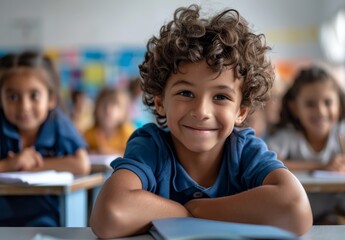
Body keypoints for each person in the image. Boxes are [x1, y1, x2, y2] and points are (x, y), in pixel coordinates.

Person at [90, 4, 312, 238]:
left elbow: (296, 210)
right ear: (159, 102)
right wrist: (184, 212)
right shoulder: (151, 147)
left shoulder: (244, 150)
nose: (201, 111)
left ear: (242, 111)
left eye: (221, 96)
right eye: (186, 93)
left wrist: (197, 209)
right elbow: (109, 214)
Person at [267, 66, 345, 224]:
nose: (321, 111)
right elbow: (268, 165)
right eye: (310, 104)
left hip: (344, 216)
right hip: (300, 217)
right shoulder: (288, 136)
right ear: (294, 108)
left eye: (328, 102)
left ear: (339, 104)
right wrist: (322, 166)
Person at [0, 51, 90, 226]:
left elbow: (81, 165)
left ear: (51, 99)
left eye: (34, 96)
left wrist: (30, 165)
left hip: (44, 216)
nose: (24, 107)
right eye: (13, 97)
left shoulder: (58, 123)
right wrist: (11, 164)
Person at [83, 87, 135, 155]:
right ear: (96, 108)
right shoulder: (88, 134)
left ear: (124, 111)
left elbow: (134, 155)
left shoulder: (129, 134)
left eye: (115, 105)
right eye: (104, 104)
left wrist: (111, 152)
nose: (108, 110)